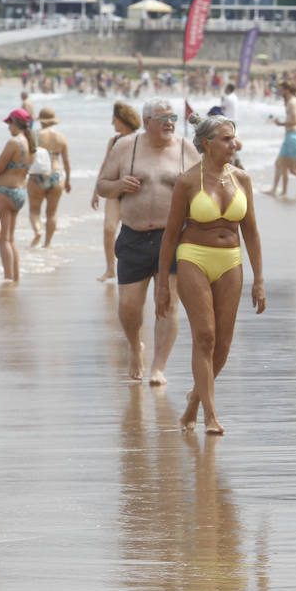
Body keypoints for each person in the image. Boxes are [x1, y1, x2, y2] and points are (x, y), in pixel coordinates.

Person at [158, 113, 265, 435]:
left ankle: (193, 403)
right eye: (226, 139)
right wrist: (163, 285)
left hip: (231, 261)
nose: (234, 145)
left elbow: (252, 232)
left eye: (234, 138)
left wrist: (259, 280)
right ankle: (210, 415)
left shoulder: (242, 179)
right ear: (207, 143)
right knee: (205, 336)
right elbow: (170, 235)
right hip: (194, 257)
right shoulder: (188, 181)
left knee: (223, 344)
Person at [96, 98, 199, 384]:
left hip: (174, 237)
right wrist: (119, 185)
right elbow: (102, 186)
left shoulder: (186, 148)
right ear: (146, 122)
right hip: (134, 235)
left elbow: (205, 186)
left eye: (173, 117)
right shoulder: (125, 147)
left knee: (167, 303)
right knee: (129, 306)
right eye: (163, 118)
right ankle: (134, 346)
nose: (170, 123)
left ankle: (158, 367)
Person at [91, 101, 142, 282]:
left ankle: (137, 267)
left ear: (124, 119)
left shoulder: (141, 140)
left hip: (135, 192)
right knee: (109, 228)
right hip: (114, 190)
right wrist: (96, 191)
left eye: (115, 119)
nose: (112, 123)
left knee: (135, 230)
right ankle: (110, 269)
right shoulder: (113, 141)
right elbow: (105, 165)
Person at [0, 108, 35, 282]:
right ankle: (15, 278)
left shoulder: (14, 142)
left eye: (9, 123)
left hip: (5, 191)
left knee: (3, 240)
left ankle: (8, 278)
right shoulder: (30, 143)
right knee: (10, 239)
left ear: (15, 123)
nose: (8, 127)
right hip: (20, 191)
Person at [28, 107, 71, 247]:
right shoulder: (61, 137)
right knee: (52, 213)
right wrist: (68, 180)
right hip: (57, 174)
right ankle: (47, 244)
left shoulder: (35, 135)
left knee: (34, 210)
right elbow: (66, 161)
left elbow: (28, 156)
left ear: (41, 120)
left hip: (38, 174)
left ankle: (37, 231)